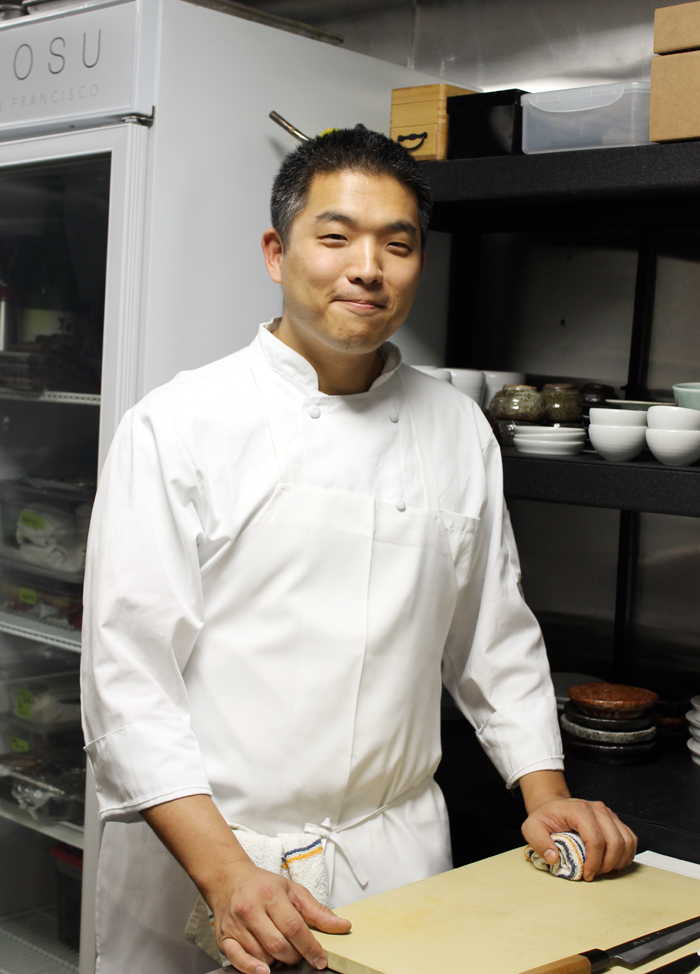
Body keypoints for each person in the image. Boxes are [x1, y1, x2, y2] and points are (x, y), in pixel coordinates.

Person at [81, 128, 637, 974]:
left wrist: (547, 793)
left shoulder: (456, 427)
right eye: (335, 236)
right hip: (211, 857)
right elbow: (129, 684)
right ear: (277, 252)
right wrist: (228, 873)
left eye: (397, 243)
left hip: (397, 861)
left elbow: (494, 633)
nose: (367, 267)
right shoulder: (179, 424)